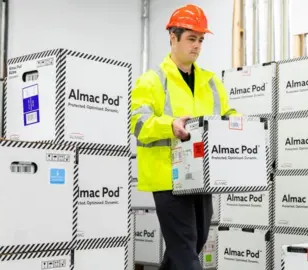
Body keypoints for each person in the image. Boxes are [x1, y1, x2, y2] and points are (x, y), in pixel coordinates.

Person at [130, 4, 238, 270]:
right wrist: (170, 125)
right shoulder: (152, 80)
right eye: (191, 38)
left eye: (201, 40)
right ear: (173, 38)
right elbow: (138, 122)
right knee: (184, 246)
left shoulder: (212, 82)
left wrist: (238, 123)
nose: (197, 45)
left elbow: (228, 113)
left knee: (195, 241)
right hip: (167, 177)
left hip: (201, 176)